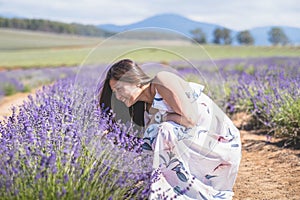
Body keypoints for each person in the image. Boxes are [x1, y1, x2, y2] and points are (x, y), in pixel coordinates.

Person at [99, 59, 241, 199]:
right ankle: (171, 191)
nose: (118, 96)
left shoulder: (162, 80)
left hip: (219, 144)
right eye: (114, 93)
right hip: (197, 155)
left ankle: (174, 193)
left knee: (164, 130)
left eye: (119, 89)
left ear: (135, 80)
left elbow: (189, 119)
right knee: (158, 132)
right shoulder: (144, 109)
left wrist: (159, 122)